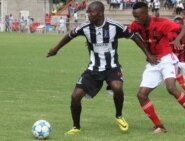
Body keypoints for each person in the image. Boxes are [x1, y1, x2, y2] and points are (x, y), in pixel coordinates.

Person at [47, 1, 156, 135]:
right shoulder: (85, 27)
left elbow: (134, 36)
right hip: (94, 69)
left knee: (117, 87)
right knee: (75, 96)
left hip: (112, 67)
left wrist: (148, 54)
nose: (88, 14)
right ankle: (76, 127)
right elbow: (69, 36)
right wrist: (56, 49)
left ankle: (119, 116)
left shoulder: (114, 25)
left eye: (90, 12)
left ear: (99, 13)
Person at [128, 2, 185, 133]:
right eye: (134, 16)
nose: (136, 19)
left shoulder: (161, 22)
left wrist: (177, 39)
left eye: (139, 16)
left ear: (146, 13)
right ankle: (159, 126)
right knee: (141, 95)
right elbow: (131, 35)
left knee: (171, 88)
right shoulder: (136, 25)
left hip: (167, 58)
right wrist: (148, 54)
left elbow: (184, 28)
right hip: (153, 62)